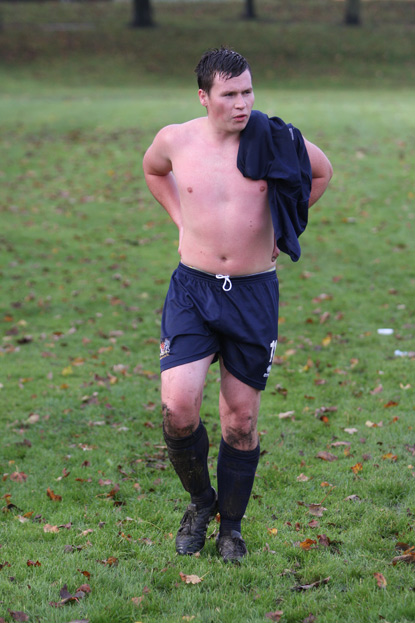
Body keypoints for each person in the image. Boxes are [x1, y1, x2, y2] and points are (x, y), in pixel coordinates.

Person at [143, 47, 333, 563]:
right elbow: (153, 171)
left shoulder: (278, 139)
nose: (242, 103)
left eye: (247, 91)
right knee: (179, 407)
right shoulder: (176, 140)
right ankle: (200, 502)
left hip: (252, 293)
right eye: (229, 94)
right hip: (193, 289)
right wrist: (180, 219)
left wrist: (286, 224)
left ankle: (231, 527)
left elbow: (322, 173)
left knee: (240, 420)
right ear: (203, 97)